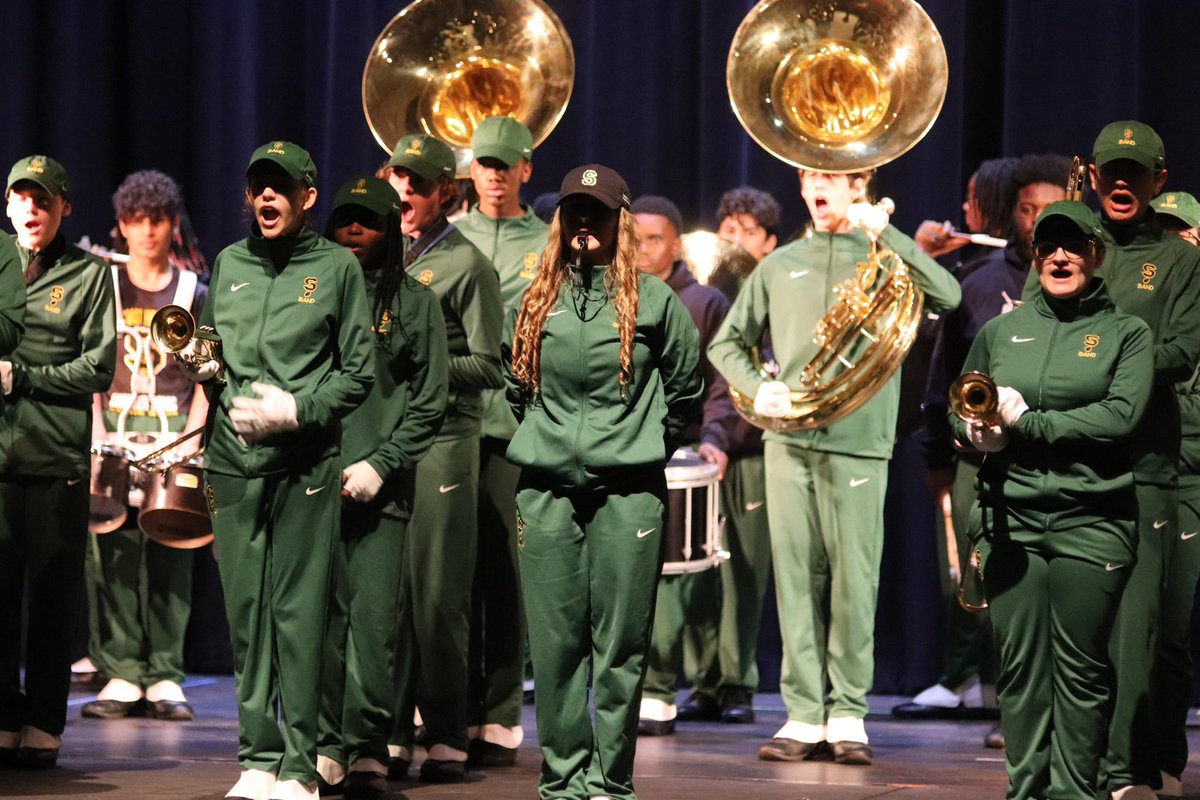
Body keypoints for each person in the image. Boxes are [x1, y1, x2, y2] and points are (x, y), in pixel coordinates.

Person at [709, 168, 961, 765]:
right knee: (795, 579)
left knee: (854, 581)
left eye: (834, 176)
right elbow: (726, 343)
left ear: (860, 184)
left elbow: (948, 296)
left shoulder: (885, 256)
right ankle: (801, 716)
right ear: (800, 184)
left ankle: (848, 713)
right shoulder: (779, 263)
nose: (819, 185)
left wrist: (891, 235)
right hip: (787, 442)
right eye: (811, 174)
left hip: (859, 442)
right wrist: (755, 388)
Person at [504, 163, 703, 800]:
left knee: (620, 647)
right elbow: (517, 390)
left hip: (629, 493)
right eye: (574, 212)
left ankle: (610, 783)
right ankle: (563, 783)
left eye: (597, 212)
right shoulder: (533, 300)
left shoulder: (656, 301)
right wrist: (554, 443)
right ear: (561, 221)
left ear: (621, 224)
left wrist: (638, 448)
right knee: (556, 649)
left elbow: (686, 393)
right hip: (547, 492)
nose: (584, 223)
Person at [189, 141, 374, 800]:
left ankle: (300, 764)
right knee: (247, 615)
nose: (266, 198)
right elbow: (211, 354)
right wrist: (199, 363)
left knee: (299, 617)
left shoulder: (335, 270)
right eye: (257, 187)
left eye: (280, 188)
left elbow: (359, 372)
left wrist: (298, 409)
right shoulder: (229, 263)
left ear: (307, 197)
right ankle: (258, 759)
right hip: (234, 466)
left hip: (306, 465)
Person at [954, 200, 1153, 800]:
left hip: (1092, 520)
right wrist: (975, 430)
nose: (1060, 255)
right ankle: (1026, 791)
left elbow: (1119, 417)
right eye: (1049, 246)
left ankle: (1074, 792)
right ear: (1036, 254)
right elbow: (961, 402)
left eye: (1073, 245)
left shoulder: (1127, 334)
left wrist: (1031, 424)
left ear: (1096, 255)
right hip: (1009, 519)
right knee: (1017, 672)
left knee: (1081, 670)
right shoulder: (1000, 330)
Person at [1030, 122, 1200, 800]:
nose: (1123, 182)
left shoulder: (1179, 260)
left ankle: (1131, 767)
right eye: (1111, 172)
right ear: (1092, 179)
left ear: (1160, 180)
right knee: (1071, 635)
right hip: (1068, 466)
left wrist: (1103, 367)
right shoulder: (1067, 248)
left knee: (1144, 635)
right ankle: (1070, 766)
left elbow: (1182, 351)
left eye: (1137, 172)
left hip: (1150, 465)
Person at [899, 154, 1069, 741]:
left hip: (1054, 457)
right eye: (1027, 209)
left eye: (1048, 209)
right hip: (979, 456)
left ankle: (1035, 707)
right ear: (1013, 215)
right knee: (980, 578)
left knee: (1041, 584)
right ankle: (994, 695)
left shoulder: (1082, 280)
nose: (1036, 219)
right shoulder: (981, 281)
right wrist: (938, 456)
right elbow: (942, 377)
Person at [314, 176, 448, 798]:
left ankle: (367, 743)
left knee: (372, 626)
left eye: (367, 221)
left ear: (392, 230)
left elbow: (429, 403)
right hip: (311, 485)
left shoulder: (415, 301)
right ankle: (324, 742)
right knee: (316, 622)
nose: (354, 231)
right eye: (345, 220)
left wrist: (381, 463)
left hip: (380, 489)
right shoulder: (310, 293)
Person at [383, 133, 503, 783]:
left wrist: (420, 368)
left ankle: (450, 732)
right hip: (387, 442)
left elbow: (491, 363)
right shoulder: (377, 252)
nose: (405, 192)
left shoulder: (468, 264)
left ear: (444, 194)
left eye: (418, 184)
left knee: (436, 595)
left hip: (445, 443)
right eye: (398, 179)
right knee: (389, 593)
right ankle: (392, 730)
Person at [80, 170, 209, 724]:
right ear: (122, 227)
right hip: (111, 433)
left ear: (171, 225)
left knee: (171, 554)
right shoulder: (102, 288)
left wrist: (195, 437)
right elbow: (89, 372)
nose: (148, 230)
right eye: (138, 220)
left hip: (172, 437)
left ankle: (163, 675)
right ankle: (121, 672)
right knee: (110, 553)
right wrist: (95, 433)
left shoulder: (191, 293)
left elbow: (208, 375)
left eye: (157, 220)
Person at [0, 154, 112, 769]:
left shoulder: (89, 275)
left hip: (55, 458)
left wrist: (24, 376)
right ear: (7, 204)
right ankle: (2, 716)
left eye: (44, 200)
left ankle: (44, 720)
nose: (32, 209)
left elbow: (98, 367)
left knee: (50, 596)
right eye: (22, 197)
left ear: (65, 207)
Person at [454, 116, 546, 766]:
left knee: (508, 575)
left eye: (503, 165)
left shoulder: (548, 242)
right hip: (452, 422)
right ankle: (454, 707)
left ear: (524, 171)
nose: (493, 175)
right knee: (453, 574)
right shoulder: (448, 238)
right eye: (484, 164)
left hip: (516, 431)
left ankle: (502, 714)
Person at [628, 194, 734, 737]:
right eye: (635, 237)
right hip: (625, 451)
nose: (642, 249)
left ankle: (674, 687)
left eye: (653, 239)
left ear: (675, 244)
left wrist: (716, 438)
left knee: (680, 577)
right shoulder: (614, 296)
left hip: (684, 452)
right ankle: (640, 687)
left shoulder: (704, 302)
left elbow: (723, 381)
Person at [682, 186, 783, 726]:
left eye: (747, 232)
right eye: (728, 229)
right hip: (703, 448)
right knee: (697, 566)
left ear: (769, 242)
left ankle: (737, 680)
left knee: (743, 571)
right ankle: (702, 681)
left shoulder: (776, 290)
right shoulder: (701, 296)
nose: (734, 241)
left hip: (751, 452)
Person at [1148, 188, 1200, 800]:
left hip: (1185, 483)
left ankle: (1163, 756)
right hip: (1133, 476)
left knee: (1170, 631)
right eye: (1163, 236)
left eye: (1182, 236)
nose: (1173, 247)